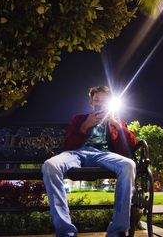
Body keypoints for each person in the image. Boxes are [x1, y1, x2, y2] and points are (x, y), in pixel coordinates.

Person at [42, 86, 137, 237]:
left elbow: (130, 146)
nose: (100, 104)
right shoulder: (79, 119)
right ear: (91, 102)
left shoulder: (116, 121)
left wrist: (117, 125)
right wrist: (85, 126)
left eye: (105, 101)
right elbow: (68, 145)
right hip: (77, 153)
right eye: (97, 100)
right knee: (49, 166)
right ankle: (66, 231)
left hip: (103, 155)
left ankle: (118, 231)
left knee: (128, 165)